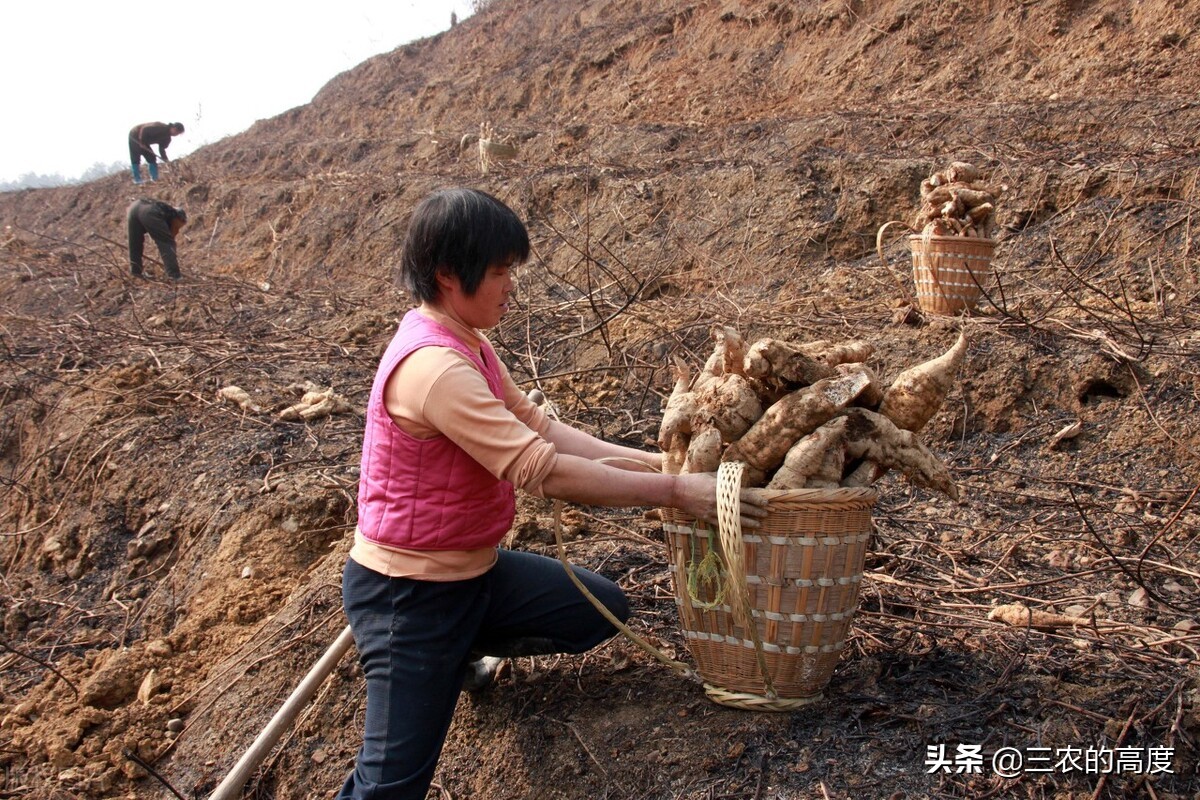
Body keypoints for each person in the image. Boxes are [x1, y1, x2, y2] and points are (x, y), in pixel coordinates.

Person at [338, 188, 767, 800]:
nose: (511, 285)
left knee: (598, 608)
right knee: (391, 787)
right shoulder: (435, 369)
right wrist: (673, 490)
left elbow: (541, 426)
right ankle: (439, 659)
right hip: (409, 598)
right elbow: (543, 468)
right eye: (498, 271)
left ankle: (460, 652)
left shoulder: (470, 343)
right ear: (446, 275)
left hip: (472, 576)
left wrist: (656, 458)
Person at [127, 199, 187, 279]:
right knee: (167, 243)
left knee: (135, 244)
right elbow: (167, 241)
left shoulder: (166, 211)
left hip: (134, 208)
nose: (178, 230)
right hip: (148, 212)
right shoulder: (172, 215)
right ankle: (174, 276)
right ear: (179, 218)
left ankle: (135, 272)